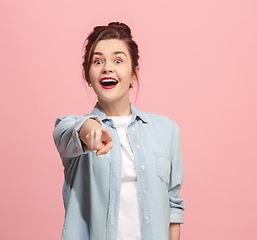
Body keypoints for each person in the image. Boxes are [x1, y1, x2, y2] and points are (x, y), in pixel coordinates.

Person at [52, 22, 185, 240]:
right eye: (97, 61)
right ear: (88, 75)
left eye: (118, 60)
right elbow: (68, 132)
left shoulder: (167, 130)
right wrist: (90, 128)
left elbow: (173, 207)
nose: (107, 67)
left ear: (134, 74)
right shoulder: (71, 127)